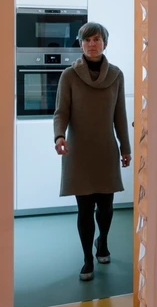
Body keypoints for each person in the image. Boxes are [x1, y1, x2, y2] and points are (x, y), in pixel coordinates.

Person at [53, 22, 132, 281]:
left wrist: (125, 148)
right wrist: (59, 135)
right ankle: (88, 257)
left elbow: (120, 116)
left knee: (106, 208)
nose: (92, 44)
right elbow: (61, 111)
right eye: (86, 40)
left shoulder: (117, 76)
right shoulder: (69, 76)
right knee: (85, 210)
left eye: (96, 39)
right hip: (79, 154)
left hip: (106, 151)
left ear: (105, 43)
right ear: (80, 44)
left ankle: (103, 242)